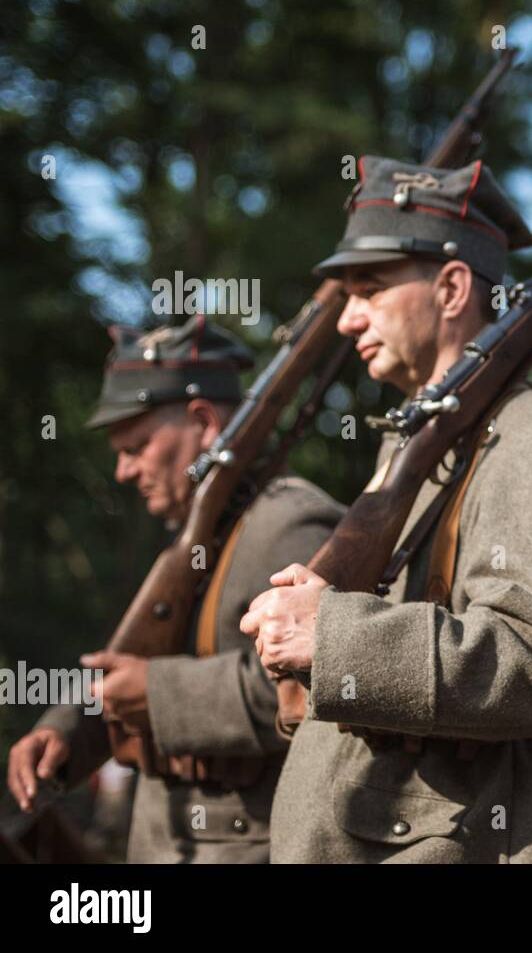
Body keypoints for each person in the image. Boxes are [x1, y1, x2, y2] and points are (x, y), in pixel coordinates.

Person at [240, 156, 532, 862]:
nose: (348, 316)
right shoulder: (414, 443)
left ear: (451, 287)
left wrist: (336, 638)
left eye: (370, 288)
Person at [6, 315, 343, 862]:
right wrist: (66, 730)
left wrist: (158, 692)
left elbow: (315, 685)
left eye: (137, 445)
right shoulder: (192, 536)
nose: (123, 470)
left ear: (204, 420)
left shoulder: (291, 524)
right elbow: (133, 659)